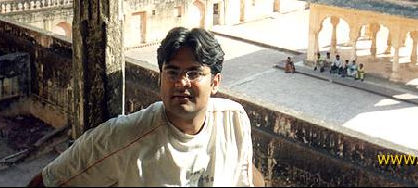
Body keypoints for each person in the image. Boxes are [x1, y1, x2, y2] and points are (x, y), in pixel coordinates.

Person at [28, 27, 258, 187]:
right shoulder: (122, 137)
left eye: (194, 73)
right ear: (161, 78)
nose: (181, 82)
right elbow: (46, 182)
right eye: (172, 72)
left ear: (215, 82)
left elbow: (250, 179)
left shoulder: (233, 119)